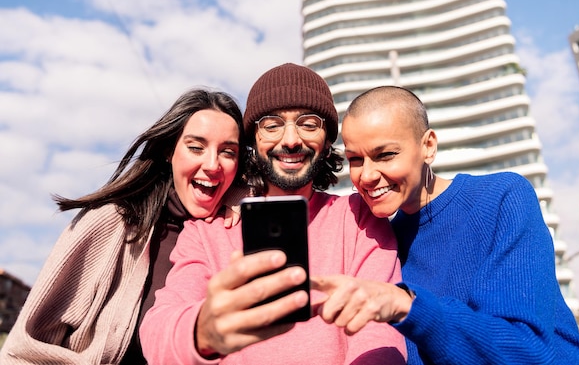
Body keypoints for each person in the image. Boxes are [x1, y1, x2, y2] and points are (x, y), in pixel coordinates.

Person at [311, 85, 579, 364]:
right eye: (355, 159)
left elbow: (525, 352)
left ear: (428, 146)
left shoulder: (501, 197)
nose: (367, 175)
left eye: (385, 155)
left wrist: (406, 305)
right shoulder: (381, 242)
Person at [139, 63, 407, 364]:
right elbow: (157, 329)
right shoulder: (204, 233)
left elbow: (380, 338)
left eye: (308, 124)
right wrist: (203, 331)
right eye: (272, 125)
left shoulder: (359, 218)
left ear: (328, 141)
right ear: (252, 142)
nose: (290, 140)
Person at [0, 88, 246, 365]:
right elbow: (22, 351)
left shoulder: (233, 229)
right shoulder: (109, 223)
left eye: (228, 152)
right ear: (169, 151)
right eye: (196, 147)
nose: (212, 165)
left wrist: (242, 196)